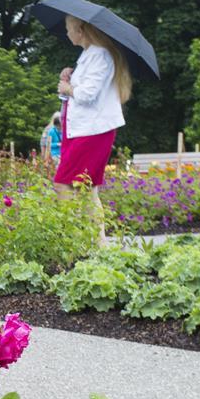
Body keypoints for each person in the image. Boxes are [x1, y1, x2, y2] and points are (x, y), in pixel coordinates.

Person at [55, 15, 132, 243]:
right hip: (82, 130)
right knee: (88, 190)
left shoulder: (99, 55)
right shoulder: (89, 55)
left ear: (80, 30)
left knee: (63, 184)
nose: (67, 33)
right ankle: (98, 246)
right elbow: (82, 91)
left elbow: (87, 95)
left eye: (68, 29)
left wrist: (68, 88)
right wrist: (69, 79)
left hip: (91, 132)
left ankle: (72, 242)